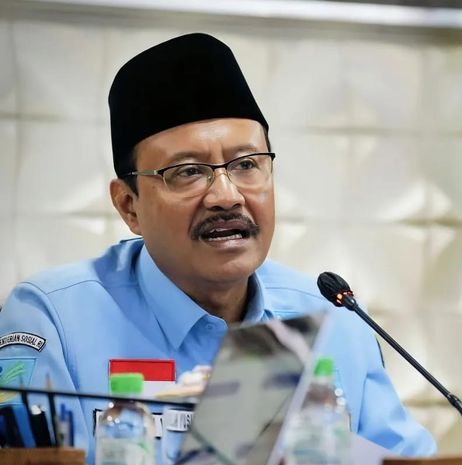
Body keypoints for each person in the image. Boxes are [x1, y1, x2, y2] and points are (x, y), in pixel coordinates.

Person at [0, 33, 436, 462]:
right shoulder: (54, 319)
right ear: (129, 206)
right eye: (188, 172)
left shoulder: (332, 318)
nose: (226, 196)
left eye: (247, 165)